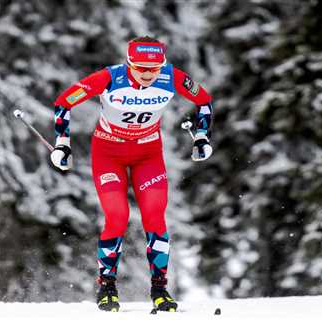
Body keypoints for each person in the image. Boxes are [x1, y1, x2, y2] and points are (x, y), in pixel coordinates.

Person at [50, 36, 213, 312]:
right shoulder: (108, 78)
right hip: (108, 154)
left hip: (148, 154)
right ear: (129, 64)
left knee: (154, 215)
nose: (149, 75)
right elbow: (64, 102)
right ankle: (107, 287)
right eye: (141, 68)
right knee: (117, 216)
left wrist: (201, 137)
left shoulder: (171, 77)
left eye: (155, 68)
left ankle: (160, 290)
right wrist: (62, 144)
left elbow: (204, 101)